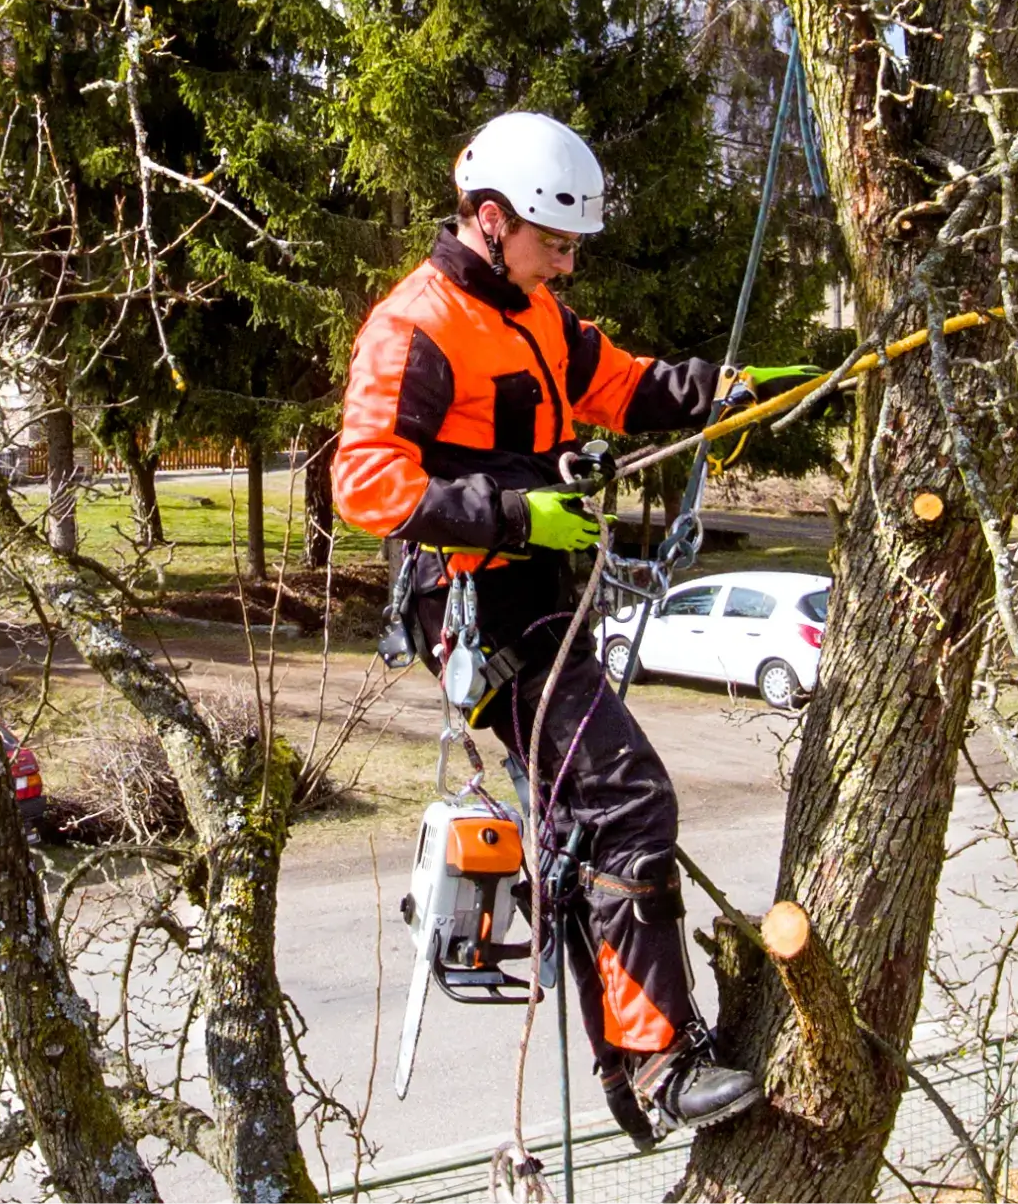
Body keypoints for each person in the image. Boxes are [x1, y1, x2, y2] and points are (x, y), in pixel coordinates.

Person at [331, 111, 815, 1145]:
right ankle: (659, 1059)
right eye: (553, 242)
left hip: (548, 600)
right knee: (629, 799)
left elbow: (619, 385)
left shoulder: (537, 312)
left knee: (583, 831)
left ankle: (629, 1070)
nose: (566, 261)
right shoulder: (416, 325)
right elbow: (364, 482)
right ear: (490, 218)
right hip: (481, 612)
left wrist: (716, 390)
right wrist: (513, 515)